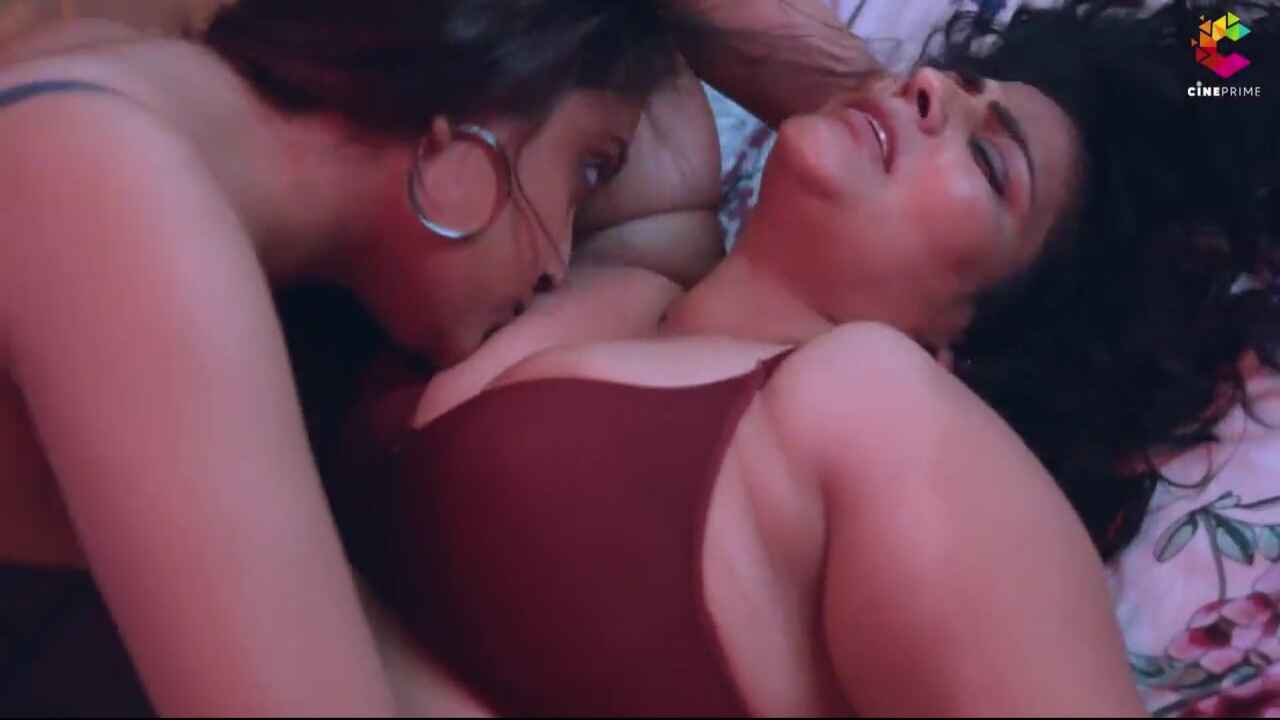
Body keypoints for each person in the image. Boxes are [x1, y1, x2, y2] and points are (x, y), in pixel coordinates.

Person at [346, 0, 1279, 714]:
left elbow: (1237, 56)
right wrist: (866, 78)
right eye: (952, 82)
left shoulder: (890, 413)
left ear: (963, 344)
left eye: (991, 164)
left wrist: (1224, 46)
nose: (929, 86)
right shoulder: (632, 225)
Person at [0, 1, 703, 713]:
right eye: (588, 168)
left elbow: (332, 642)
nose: (558, 264)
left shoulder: (152, 135)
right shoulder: (112, 185)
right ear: (483, 99)